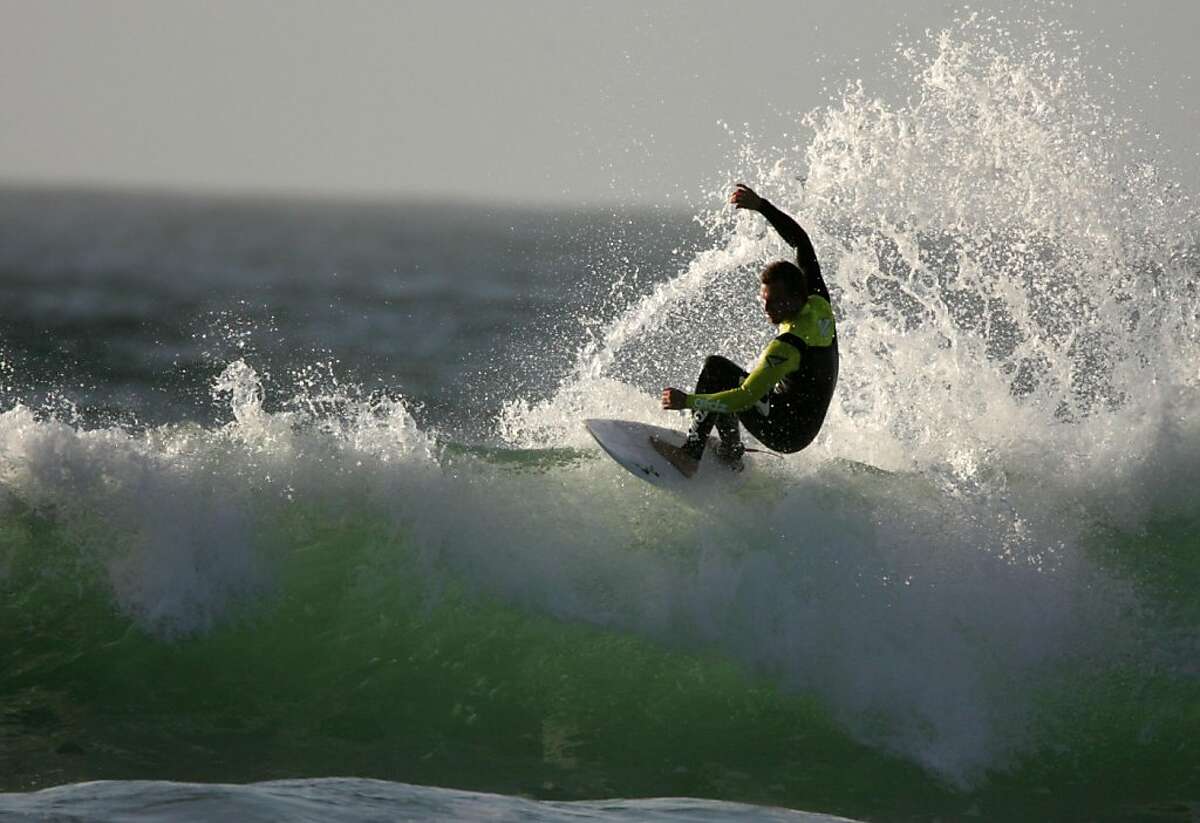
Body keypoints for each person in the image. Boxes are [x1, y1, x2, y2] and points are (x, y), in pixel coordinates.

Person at [653, 183, 839, 476]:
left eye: (775, 303)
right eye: (765, 300)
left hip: (787, 432)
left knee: (716, 372)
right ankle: (729, 451)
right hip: (800, 419)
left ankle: (690, 456)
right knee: (724, 372)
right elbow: (801, 242)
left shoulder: (789, 346)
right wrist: (761, 206)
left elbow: (744, 397)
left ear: (793, 299)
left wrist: (686, 401)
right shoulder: (818, 302)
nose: (767, 309)